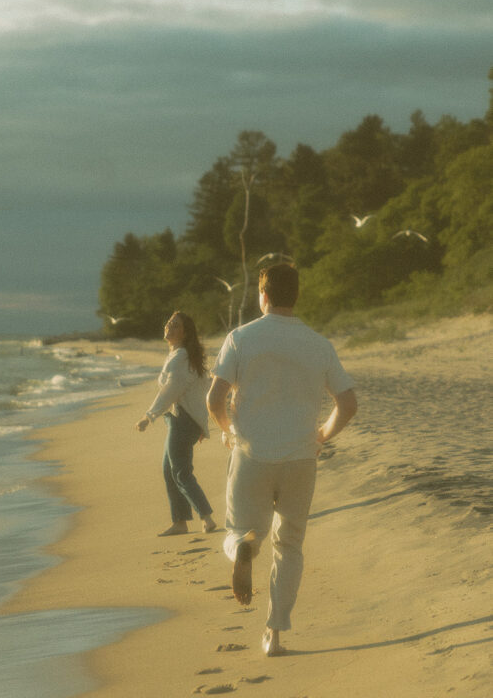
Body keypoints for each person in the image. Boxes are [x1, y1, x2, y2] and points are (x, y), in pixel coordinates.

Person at [206, 263, 357, 657]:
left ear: (264, 296)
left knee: (240, 531)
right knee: (289, 545)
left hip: (252, 453)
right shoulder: (318, 344)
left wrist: (228, 429)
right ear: (296, 296)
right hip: (300, 458)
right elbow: (348, 403)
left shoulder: (240, 338)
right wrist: (323, 432)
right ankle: (274, 634)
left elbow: (214, 399)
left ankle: (241, 547)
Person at [136, 311, 217, 536]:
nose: (169, 326)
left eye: (175, 325)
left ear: (185, 333)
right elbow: (199, 390)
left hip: (183, 421)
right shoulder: (179, 355)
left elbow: (171, 391)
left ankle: (206, 517)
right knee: (169, 470)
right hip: (181, 421)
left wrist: (148, 416)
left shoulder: (181, 357)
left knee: (180, 472)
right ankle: (180, 522)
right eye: (169, 323)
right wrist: (201, 424)